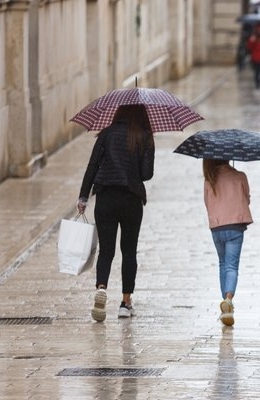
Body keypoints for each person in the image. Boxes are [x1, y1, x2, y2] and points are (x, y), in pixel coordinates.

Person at [77, 104, 155, 322]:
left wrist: (83, 197)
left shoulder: (106, 134)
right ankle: (125, 303)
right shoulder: (145, 136)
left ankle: (101, 289)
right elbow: (146, 174)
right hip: (131, 200)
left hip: (106, 198)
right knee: (129, 251)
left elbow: (92, 166)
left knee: (106, 251)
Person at [202, 159, 253, 327]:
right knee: (232, 266)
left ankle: (226, 306)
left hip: (217, 227)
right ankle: (228, 300)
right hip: (235, 226)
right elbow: (247, 198)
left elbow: (207, 203)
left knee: (223, 264)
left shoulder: (209, 179)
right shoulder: (239, 176)